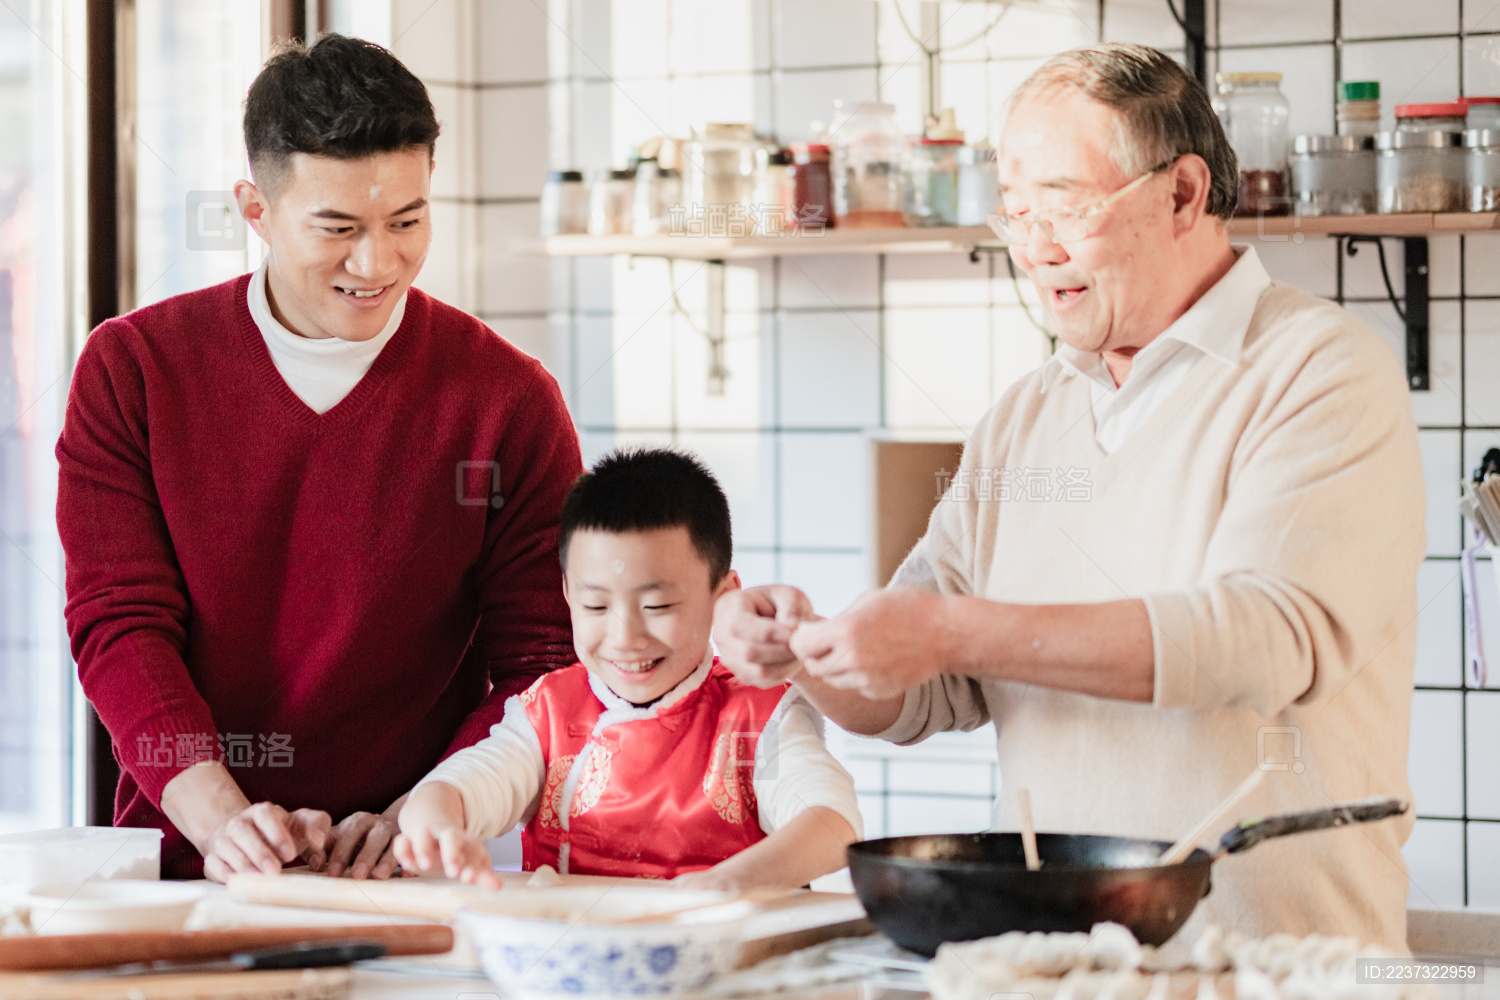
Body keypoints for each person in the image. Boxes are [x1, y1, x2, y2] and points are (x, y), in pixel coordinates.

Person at [714, 43, 1423, 951]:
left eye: (1066, 207)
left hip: (1279, 965)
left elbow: (1266, 637)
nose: (1036, 250)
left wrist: (946, 630)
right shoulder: (1023, 417)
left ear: (1182, 194)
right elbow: (925, 691)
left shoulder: (1320, 371)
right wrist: (805, 651)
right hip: (1057, 965)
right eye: (1016, 215)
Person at [56, 34, 580, 882]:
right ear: (254, 210)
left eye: (407, 222)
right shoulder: (136, 372)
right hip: (184, 863)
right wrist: (224, 821)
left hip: (415, 865)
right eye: (336, 228)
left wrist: (425, 812)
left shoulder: (509, 401)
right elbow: (120, 626)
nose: (377, 263)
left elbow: (542, 664)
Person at [394, 449, 861, 889]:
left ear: (724, 597)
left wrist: (726, 886)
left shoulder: (761, 713)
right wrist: (438, 828)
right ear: (567, 595)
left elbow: (833, 823)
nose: (624, 637)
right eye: (596, 606)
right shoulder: (547, 715)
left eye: (657, 605)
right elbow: (458, 786)